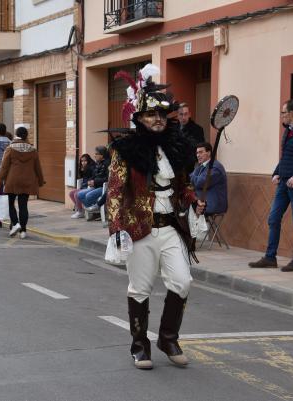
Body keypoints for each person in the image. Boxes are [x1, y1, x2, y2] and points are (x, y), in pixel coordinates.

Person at [108, 64, 204, 370]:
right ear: (139, 118)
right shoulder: (125, 151)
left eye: (162, 115)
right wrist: (117, 228)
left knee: (182, 281)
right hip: (139, 230)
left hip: (171, 227)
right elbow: (114, 192)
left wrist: (194, 200)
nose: (158, 120)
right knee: (140, 288)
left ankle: (168, 338)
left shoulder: (178, 149)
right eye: (151, 115)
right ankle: (139, 345)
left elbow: (184, 184)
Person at [249, 100, 293, 271]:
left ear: (292, 114)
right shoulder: (288, 131)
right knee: (273, 218)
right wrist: (276, 172)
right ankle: (270, 257)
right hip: (283, 183)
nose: (281, 115)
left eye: (283, 112)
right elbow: (286, 156)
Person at [0, 127, 45, 239]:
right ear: (26, 135)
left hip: (12, 180)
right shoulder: (32, 150)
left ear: (16, 135)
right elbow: (38, 167)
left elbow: (4, 167)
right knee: (23, 206)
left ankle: (15, 224)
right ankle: (23, 231)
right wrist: (41, 181)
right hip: (27, 181)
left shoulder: (10, 148)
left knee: (11, 203)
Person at [189, 142, 228, 215]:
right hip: (203, 202)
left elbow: (200, 182)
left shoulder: (215, 167)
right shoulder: (202, 166)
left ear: (209, 153)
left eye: (201, 152)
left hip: (213, 205)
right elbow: (192, 178)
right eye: (197, 153)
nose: (198, 155)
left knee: (186, 211)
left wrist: (193, 176)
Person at [78, 146, 110, 212]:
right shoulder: (98, 163)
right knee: (79, 194)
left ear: (102, 155)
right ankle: (93, 212)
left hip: (103, 187)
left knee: (88, 196)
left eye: (96, 154)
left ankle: (95, 211)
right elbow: (94, 175)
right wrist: (90, 181)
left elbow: (107, 179)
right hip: (95, 186)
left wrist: (95, 182)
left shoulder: (107, 164)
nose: (94, 156)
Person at [69, 154, 96, 218]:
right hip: (84, 186)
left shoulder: (92, 167)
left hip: (90, 187)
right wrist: (81, 171)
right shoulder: (84, 168)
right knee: (71, 193)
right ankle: (80, 209)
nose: (83, 163)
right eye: (82, 161)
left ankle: (80, 212)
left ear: (88, 160)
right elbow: (82, 178)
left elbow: (91, 179)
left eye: (85, 161)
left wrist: (85, 184)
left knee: (76, 194)